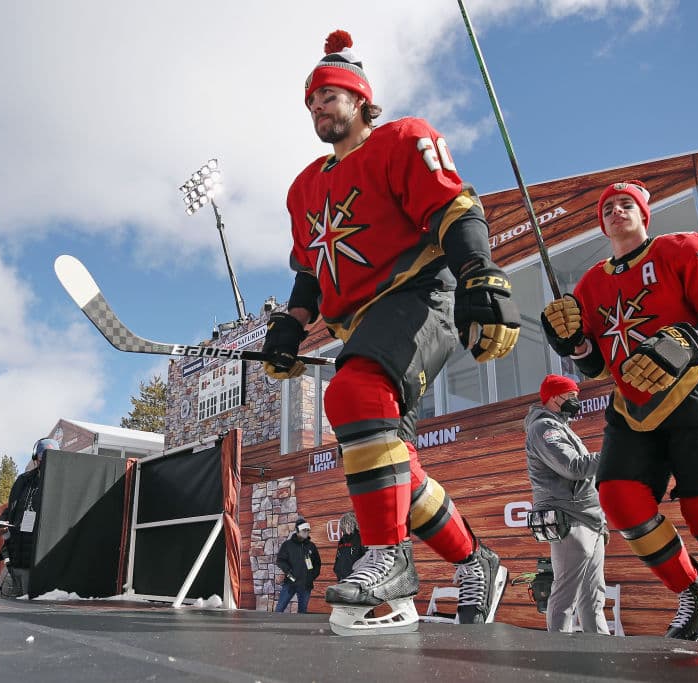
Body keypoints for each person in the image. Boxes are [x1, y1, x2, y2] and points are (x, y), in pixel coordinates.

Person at [261, 30, 520, 635]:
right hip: (362, 321)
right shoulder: (303, 188)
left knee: (351, 394)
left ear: (359, 99)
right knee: (396, 460)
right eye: (311, 101)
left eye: (329, 95)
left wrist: (480, 272)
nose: (318, 107)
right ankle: (474, 559)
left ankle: (392, 562)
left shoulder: (405, 139)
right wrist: (290, 329)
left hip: (421, 290)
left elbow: (455, 208)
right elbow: (309, 271)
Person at [541, 180, 698, 645]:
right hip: (633, 406)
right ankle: (695, 591)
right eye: (608, 207)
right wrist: (572, 342)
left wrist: (691, 339)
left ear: (645, 214)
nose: (617, 211)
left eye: (627, 204)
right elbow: (593, 365)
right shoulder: (590, 283)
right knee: (619, 500)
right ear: (601, 222)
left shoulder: (685, 247)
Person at [523, 374, 609, 634]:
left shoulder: (561, 428)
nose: (576, 401)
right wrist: (614, 454)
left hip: (589, 519)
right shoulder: (543, 428)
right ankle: (560, 655)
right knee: (566, 595)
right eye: (571, 397)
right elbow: (572, 467)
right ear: (552, 397)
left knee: (593, 596)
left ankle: (602, 656)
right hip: (569, 520)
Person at [0, 437, 58, 597]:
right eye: (42, 456)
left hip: (38, 566)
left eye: (50, 456)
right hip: (14, 560)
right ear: (36, 457)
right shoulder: (23, 480)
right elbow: (12, 509)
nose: (45, 460)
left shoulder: (60, 484)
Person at [275, 517, 321, 613]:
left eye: (307, 530)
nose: (306, 532)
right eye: (303, 530)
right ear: (297, 530)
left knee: (302, 613)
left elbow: (317, 563)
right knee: (279, 610)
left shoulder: (311, 546)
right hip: (290, 583)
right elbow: (280, 560)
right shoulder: (287, 545)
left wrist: (311, 576)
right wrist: (288, 571)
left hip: (305, 585)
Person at [333, 511, 366, 582]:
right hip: (342, 579)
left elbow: (366, 558)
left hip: (355, 579)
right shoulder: (342, 540)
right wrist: (337, 569)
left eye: (346, 524)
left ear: (352, 523)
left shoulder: (360, 538)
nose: (344, 527)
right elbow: (338, 558)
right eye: (343, 525)